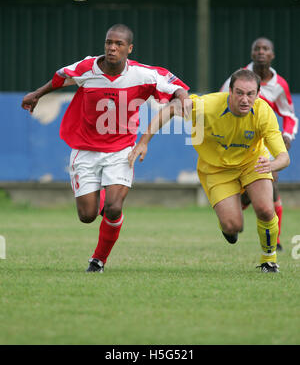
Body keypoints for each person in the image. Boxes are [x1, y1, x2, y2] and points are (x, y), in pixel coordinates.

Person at [21, 23, 189, 273]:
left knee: (114, 207)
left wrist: (182, 98)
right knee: (87, 215)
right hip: (85, 148)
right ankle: (103, 198)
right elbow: (61, 76)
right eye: (109, 42)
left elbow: (175, 85)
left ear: (129, 48)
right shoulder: (87, 68)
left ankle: (98, 260)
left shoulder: (143, 74)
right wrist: (38, 93)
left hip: (122, 149)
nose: (112, 48)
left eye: (119, 44)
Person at [129, 69, 290, 273]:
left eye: (250, 94)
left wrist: (271, 165)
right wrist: (143, 142)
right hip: (216, 170)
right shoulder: (207, 106)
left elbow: (284, 158)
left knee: (266, 210)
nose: (244, 99)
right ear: (229, 91)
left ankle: (269, 260)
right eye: (239, 93)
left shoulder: (263, 112)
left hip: (252, 164)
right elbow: (171, 109)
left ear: (258, 94)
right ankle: (239, 203)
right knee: (233, 227)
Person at [220, 37, 298, 250]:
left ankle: (276, 240)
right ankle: (236, 210)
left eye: (266, 49)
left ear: (272, 55)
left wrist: (287, 136)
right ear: (252, 53)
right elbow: (220, 106)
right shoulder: (237, 79)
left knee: (272, 184)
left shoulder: (279, 85)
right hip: (240, 142)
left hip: (265, 141)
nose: (261, 52)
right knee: (250, 192)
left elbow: (289, 115)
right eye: (257, 48)